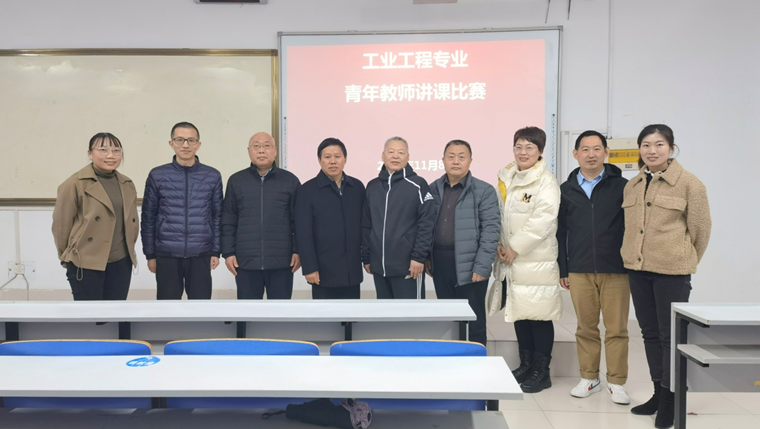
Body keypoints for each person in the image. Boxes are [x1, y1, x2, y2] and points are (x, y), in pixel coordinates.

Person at [622, 124, 711, 429]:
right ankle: (658, 393)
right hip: (638, 271)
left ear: (671, 148)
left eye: (659, 144)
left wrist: (682, 259)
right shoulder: (633, 185)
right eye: (646, 145)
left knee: (669, 337)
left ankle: (672, 400)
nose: (652, 150)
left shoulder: (690, 184)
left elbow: (700, 232)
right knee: (649, 333)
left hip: (672, 273)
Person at [557, 130, 630, 404]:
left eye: (597, 149)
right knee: (585, 328)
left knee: (617, 329)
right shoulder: (565, 190)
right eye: (585, 149)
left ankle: (617, 382)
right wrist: (563, 269)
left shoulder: (622, 186)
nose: (591, 154)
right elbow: (560, 232)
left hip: (616, 269)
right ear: (575, 154)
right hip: (579, 269)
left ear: (606, 153)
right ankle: (589, 377)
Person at [493, 126, 562, 394]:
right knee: (520, 312)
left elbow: (544, 219)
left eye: (529, 147)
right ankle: (526, 365)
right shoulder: (506, 177)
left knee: (539, 316)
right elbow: (501, 215)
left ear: (540, 151)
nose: (523, 152)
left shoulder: (546, 181)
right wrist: (501, 245)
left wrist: (515, 247)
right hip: (511, 259)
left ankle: (542, 373)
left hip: (536, 259)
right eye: (519, 147)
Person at [426, 139, 500, 345]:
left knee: (474, 319)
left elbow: (491, 230)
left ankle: (476, 359)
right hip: (440, 263)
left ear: (470, 161)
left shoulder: (484, 190)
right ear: (443, 160)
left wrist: (482, 266)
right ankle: (451, 357)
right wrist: (426, 257)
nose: (456, 161)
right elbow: (426, 226)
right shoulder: (433, 189)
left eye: (461, 157)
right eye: (451, 157)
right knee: (448, 316)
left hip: (471, 265)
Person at [141, 122, 223, 300]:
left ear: (198, 144)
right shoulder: (157, 175)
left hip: (201, 253)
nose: (185, 145)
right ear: (171, 143)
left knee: (201, 307)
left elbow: (217, 216)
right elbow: (148, 217)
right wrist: (150, 254)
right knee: (167, 308)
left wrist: (215, 251)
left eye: (191, 140)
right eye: (180, 140)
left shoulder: (212, 176)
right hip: (167, 254)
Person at [52, 132, 138, 300]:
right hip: (85, 261)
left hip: (121, 260)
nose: (111, 155)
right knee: (89, 313)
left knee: (116, 312)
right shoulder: (74, 183)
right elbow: (61, 225)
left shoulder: (127, 184)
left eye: (116, 150)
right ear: (90, 153)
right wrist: (66, 256)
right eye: (103, 150)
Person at [221, 132, 301, 299]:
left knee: (280, 312)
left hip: (282, 262)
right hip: (246, 263)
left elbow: (298, 221)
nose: (261, 150)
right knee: (248, 311)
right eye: (256, 146)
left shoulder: (290, 181)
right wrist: (228, 253)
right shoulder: (236, 181)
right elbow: (228, 219)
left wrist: (297, 250)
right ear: (249, 151)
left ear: (275, 151)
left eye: (266, 146)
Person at [362, 136, 435, 299]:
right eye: (391, 152)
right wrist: (366, 257)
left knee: (411, 313)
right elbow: (366, 225)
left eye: (401, 152)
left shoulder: (418, 185)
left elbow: (427, 224)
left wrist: (418, 257)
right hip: (379, 269)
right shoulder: (372, 186)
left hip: (408, 268)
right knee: (385, 313)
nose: (396, 156)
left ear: (408, 157)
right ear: (383, 156)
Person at [295, 138, 365, 299]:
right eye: (327, 157)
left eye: (337, 156)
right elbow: (303, 234)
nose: (333, 161)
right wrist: (309, 268)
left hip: (352, 271)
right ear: (319, 160)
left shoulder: (357, 187)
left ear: (345, 159)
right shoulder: (307, 190)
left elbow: (365, 226)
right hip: (322, 272)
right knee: (324, 314)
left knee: (352, 313)